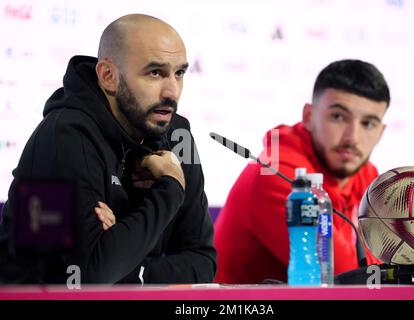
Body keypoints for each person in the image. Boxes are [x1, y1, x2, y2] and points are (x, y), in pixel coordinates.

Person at [0, 14, 216, 284]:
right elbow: (79, 279)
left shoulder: (178, 135)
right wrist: (171, 188)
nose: (172, 91)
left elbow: (203, 263)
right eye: (155, 73)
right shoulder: (62, 138)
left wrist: (126, 265)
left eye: (179, 73)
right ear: (108, 76)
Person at [214, 59, 390, 284]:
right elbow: (347, 277)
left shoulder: (366, 173)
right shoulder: (274, 173)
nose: (352, 138)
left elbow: (388, 270)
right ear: (308, 116)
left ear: (381, 132)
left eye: (368, 123)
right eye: (338, 117)